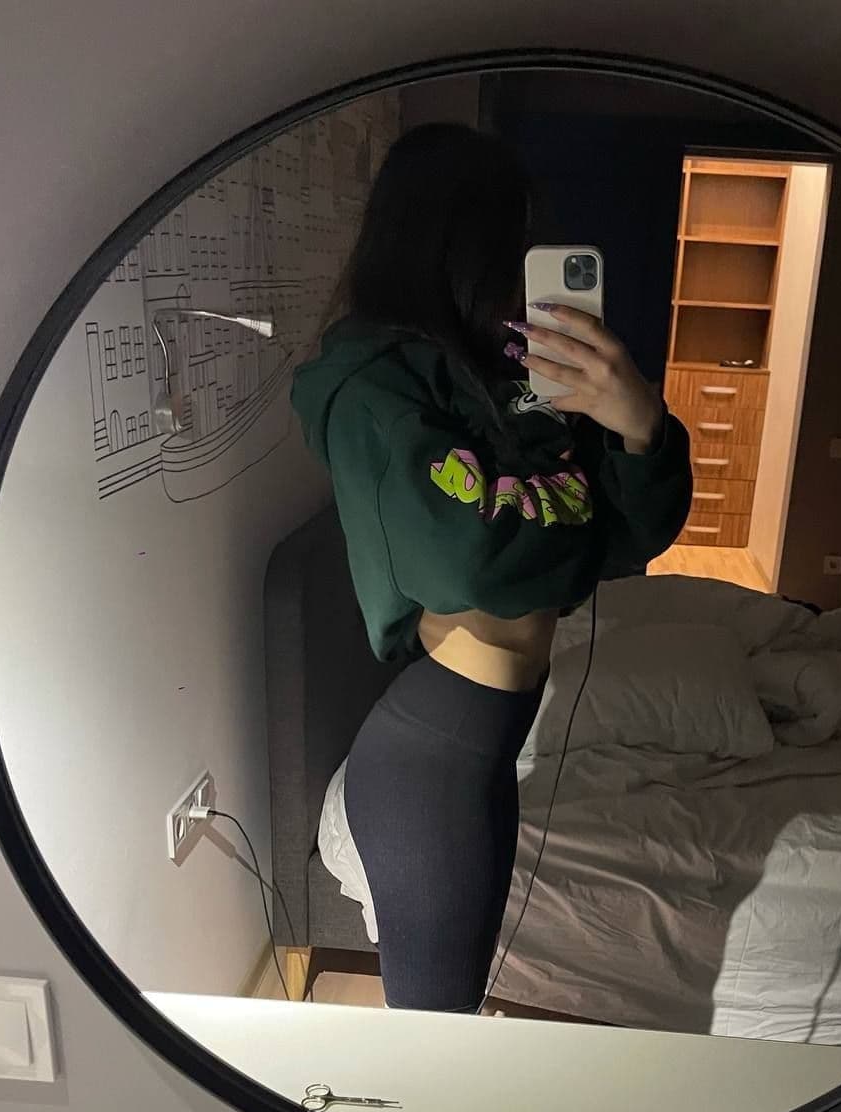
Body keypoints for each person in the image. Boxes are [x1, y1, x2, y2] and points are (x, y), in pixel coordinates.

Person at [291, 123, 693, 1014]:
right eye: (511, 241)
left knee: (453, 1013)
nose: (524, 265)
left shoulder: (511, 371)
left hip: (485, 745)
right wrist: (580, 525)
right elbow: (470, 564)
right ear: (457, 245)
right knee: (433, 1033)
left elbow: (632, 538)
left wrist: (637, 425)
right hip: (431, 756)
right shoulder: (373, 386)